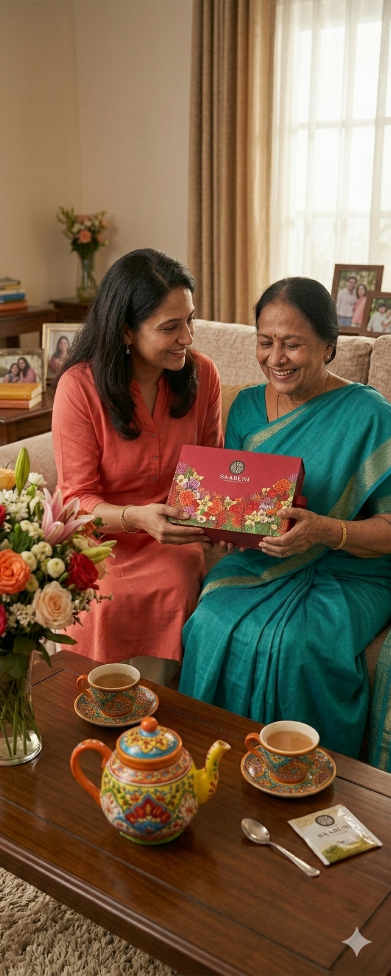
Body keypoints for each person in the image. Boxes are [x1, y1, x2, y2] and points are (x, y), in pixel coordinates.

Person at [179, 277, 391, 758]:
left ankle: (299, 772)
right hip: (263, 560)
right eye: (265, 341)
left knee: (297, 645)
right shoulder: (246, 408)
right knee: (209, 619)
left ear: (329, 346)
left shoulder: (371, 415)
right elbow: (237, 501)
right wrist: (225, 529)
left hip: (349, 568)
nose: (276, 357)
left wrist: (325, 531)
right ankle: (214, 758)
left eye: (292, 344)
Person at [52, 248, 223, 685]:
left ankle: (160, 710)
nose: (187, 337)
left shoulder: (204, 375)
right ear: (126, 330)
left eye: (190, 320)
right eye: (170, 327)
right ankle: (93, 702)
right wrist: (137, 517)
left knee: (177, 585)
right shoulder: (79, 387)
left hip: (171, 534)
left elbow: (213, 472)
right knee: (104, 596)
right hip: (96, 534)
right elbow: (75, 500)